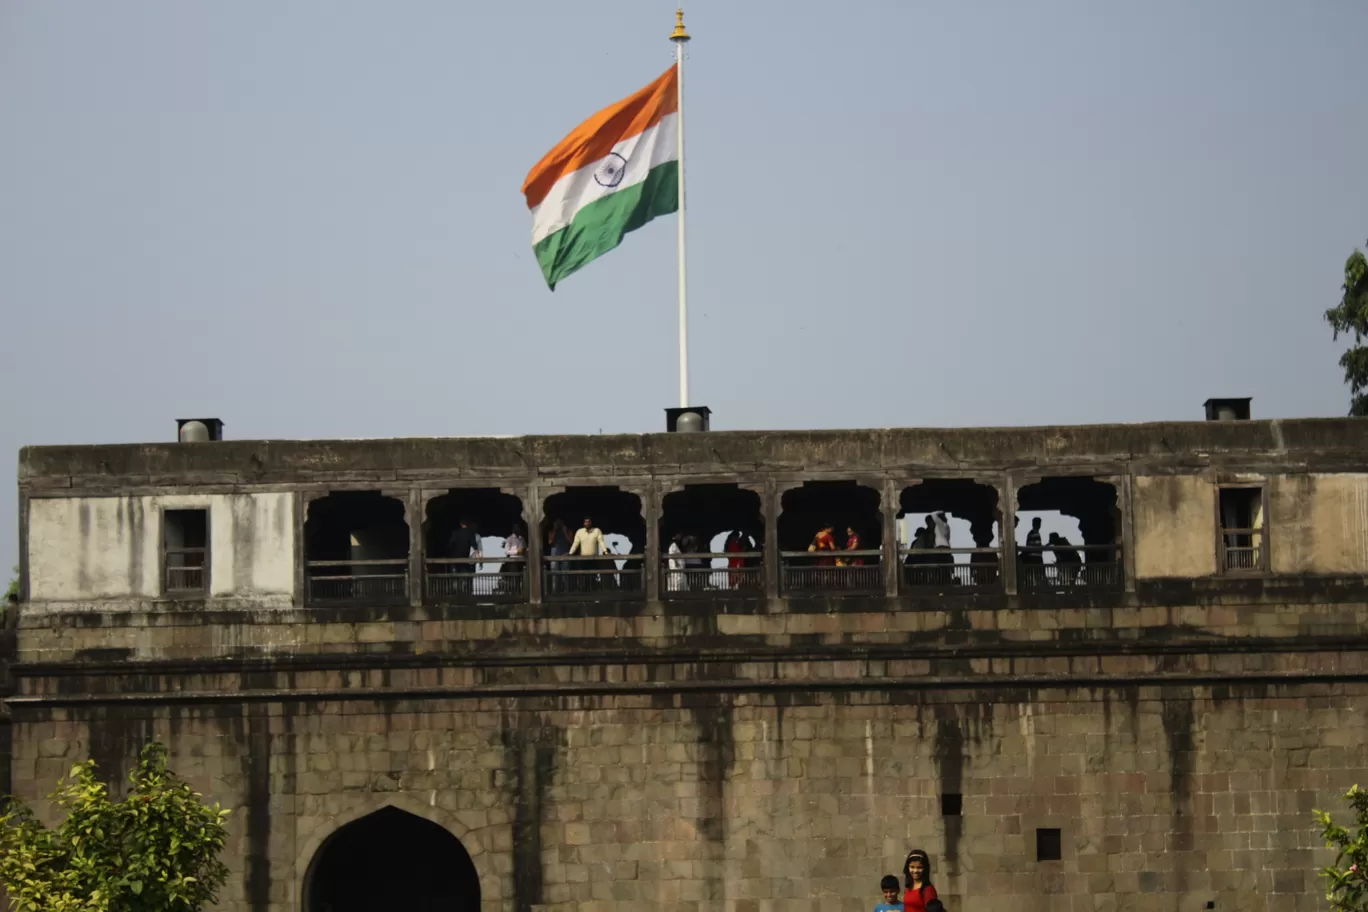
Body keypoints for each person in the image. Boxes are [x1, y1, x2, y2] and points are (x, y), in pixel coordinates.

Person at [570, 517, 608, 591]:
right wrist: (570, 553)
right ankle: (585, 591)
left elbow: (601, 542)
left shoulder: (596, 531)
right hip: (583, 558)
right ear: (584, 523)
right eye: (586, 522)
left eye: (589, 522)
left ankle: (593, 590)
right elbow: (575, 543)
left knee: (593, 575)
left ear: (591, 523)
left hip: (594, 558)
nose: (587, 523)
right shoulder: (580, 532)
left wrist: (606, 552)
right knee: (584, 576)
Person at [447, 518, 481, 594]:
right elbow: (474, 545)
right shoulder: (470, 533)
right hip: (464, 559)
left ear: (461, 524)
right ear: (467, 525)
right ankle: (463, 591)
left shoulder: (455, 533)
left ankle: (456, 592)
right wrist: (478, 555)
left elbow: (450, 544)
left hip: (454, 558)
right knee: (463, 574)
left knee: (455, 575)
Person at [547, 519, 572, 594]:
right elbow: (550, 542)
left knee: (565, 573)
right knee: (554, 573)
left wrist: (565, 532)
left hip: (565, 552)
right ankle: (555, 591)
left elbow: (571, 542)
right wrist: (555, 530)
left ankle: (566, 590)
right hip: (555, 554)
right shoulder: (551, 532)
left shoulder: (568, 531)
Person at [501, 523, 526, 594]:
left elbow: (525, 548)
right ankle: (515, 593)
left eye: (519, 528)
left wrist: (524, 551)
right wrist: (516, 551)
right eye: (516, 528)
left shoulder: (522, 539)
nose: (518, 529)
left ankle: (522, 593)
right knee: (515, 578)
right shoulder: (509, 539)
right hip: (513, 561)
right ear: (513, 529)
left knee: (523, 577)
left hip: (522, 560)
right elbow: (506, 551)